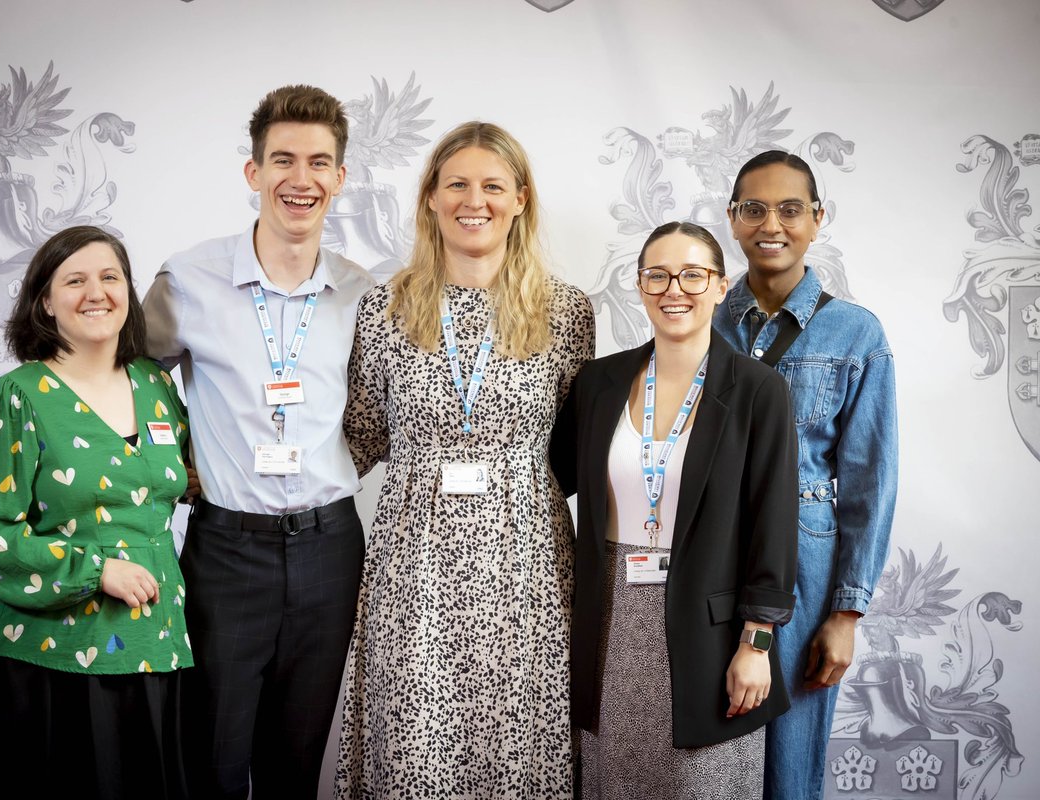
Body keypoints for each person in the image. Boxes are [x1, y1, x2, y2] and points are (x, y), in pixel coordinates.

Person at [336, 121, 595, 798]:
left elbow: (578, 447)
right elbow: (360, 436)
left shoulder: (565, 312)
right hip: (412, 565)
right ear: (429, 197)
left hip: (527, 564)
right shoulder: (382, 309)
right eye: (456, 184)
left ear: (520, 200)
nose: (472, 200)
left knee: (520, 742)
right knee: (415, 738)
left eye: (491, 185)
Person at [142, 84, 374, 799]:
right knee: (208, 760)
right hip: (226, 553)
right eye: (282, 161)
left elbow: (378, 413)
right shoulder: (188, 278)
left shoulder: (365, 294)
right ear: (253, 173)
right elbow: (121, 379)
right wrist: (172, 462)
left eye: (317, 163)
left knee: (294, 765)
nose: (299, 181)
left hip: (332, 547)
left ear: (340, 178)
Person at [0, 225, 193, 800]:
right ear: (45, 302)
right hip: (42, 660)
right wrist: (95, 570)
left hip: (151, 646)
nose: (96, 292)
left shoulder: (156, 385)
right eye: (74, 280)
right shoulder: (14, 398)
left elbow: (177, 477)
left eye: (110, 277)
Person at [554, 221, 799, 799]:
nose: (674, 289)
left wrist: (757, 642)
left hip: (710, 631)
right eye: (657, 275)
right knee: (613, 781)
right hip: (608, 620)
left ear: (720, 286)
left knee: (700, 784)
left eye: (693, 274)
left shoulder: (758, 389)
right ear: (639, 286)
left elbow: (774, 524)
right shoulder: (599, 381)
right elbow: (548, 478)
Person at [714, 150, 898, 800]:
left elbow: (870, 483)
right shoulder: (702, 323)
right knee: (706, 762)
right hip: (707, 567)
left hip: (806, 572)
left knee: (788, 771)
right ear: (733, 219)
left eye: (790, 208)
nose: (773, 223)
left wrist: (847, 612)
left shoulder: (856, 334)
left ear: (817, 219)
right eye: (755, 208)